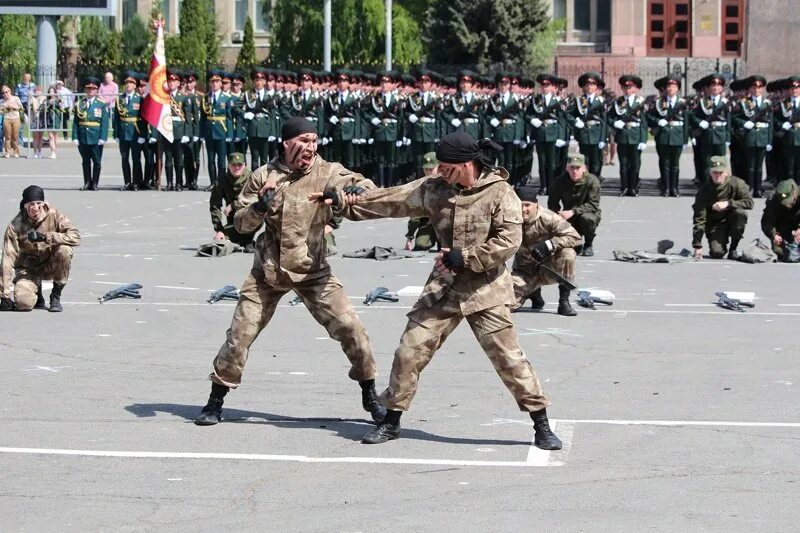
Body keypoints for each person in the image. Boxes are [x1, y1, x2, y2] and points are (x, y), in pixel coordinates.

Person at [329, 131, 561, 450]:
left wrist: (465, 257)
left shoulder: (500, 193)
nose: (438, 171)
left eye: (444, 166)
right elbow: (390, 200)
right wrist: (348, 200)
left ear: (465, 164)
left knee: (509, 359)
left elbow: (509, 241)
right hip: (445, 287)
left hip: (486, 290)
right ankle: (391, 421)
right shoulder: (434, 189)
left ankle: (541, 424)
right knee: (410, 350)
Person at [193, 117, 385, 426]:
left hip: (313, 272)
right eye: (304, 141)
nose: (311, 147)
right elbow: (239, 225)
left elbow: (362, 186)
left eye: (314, 141)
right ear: (287, 144)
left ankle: (370, 394)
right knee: (239, 335)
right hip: (268, 273)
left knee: (352, 329)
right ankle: (216, 400)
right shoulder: (263, 176)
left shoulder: (327, 172)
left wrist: (346, 194)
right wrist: (260, 206)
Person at [1, 185, 81, 313]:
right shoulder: (15, 225)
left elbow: (76, 237)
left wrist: (46, 237)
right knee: (23, 304)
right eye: (31, 204)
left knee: (64, 250)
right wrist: (4, 294)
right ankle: (37, 292)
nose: (36, 208)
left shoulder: (54, 215)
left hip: (51, 265)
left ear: (44, 203)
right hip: (29, 270)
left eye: (39, 203)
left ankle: (56, 295)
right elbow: (7, 258)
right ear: (25, 206)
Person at [511, 186, 580, 316]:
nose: (523, 209)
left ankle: (564, 301)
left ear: (536, 204)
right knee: (505, 305)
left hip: (549, 268)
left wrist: (549, 245)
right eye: (519, 205)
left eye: (527, 205)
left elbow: (575, 237)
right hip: (524, 269)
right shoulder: (509, 219)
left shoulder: (549, 218)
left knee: (568, 253)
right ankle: (533, 292)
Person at [692, 156, 754, 260]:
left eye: (720, 173)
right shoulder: (704, 191)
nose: (717, 176)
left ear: (726, 172)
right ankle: (720, 241)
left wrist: (728, 203)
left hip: (732, 219)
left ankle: (733, 249)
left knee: (740, 213)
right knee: (717, 253)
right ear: (710, 172)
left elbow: (749, 203)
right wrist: (697, 245)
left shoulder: (737, 183)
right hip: (715, 225)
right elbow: (699, 219)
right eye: (714, 173)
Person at [547, 153, 602, 257]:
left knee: (587, 219)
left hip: (587, 213)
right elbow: (552, 203)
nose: (575, 171)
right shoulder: (559, 181)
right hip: (568, 214)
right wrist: (557, 215)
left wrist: (573, 212)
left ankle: (588, 244)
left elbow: (593, 204)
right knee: (552, 220)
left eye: (578, 167)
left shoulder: (592, 181)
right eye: (572, 167)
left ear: (584, 168)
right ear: (567, 168)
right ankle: (573, 243)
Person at [526, 74, 568, 195]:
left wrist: (561, 137)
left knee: (552, 163)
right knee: (542, 162)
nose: (544, 87)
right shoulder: (535, 100)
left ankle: (552, 186)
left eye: (547, 85)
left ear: (552, 87)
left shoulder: (558, 101)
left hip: (553, 134)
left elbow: (562, 120)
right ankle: (543, 186)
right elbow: (527, 114)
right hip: (540, 134)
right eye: (542, 85)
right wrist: (532, 120)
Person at [732, 75, 773, 198]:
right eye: (753, 87)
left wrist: (770, 141)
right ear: (749, 89)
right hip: (749, 137)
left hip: (762, 136)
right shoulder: (744, 103)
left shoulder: (767, 104)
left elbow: (770, 124)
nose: (756, 89)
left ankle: (758, 189)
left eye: (759, 87)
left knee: (759, 166)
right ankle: (750, 188)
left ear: (763, 89)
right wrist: (744, 123)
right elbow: (734, 118)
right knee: (749, 165)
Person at [647, 76, 689, 197]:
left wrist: (685, 139)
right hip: (663, 135)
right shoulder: (659, 102)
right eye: (669, 86)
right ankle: (665, 188)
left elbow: (686, 122)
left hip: (677, 135)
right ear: (665, 89)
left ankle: (674, 188)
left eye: (674, 86)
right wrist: (657, 121)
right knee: (664, 163)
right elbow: (649, 116)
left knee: (675, 164)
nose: (671, 88)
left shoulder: (683, 103)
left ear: (678, 89)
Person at [209, 152, 260, 251]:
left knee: (259, 209)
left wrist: (233, 205)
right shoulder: (222, 180)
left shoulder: (252, 178)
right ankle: (241, 239)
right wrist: (219, 229)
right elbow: (214, 205)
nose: (236, 168)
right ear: (228, 165)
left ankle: (248, 240)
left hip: (252, 216)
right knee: (222, 241)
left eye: (239, 165)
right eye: (233, 165)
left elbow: (253, 199)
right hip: (234, 221)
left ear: (245, 165)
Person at [608, 75, 648, 196]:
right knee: (624, 164)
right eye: (625, 87)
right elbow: (609, 117)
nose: (628, 89)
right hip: (623, 136)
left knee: (635, 164)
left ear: (635, 88)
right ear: (621, 87)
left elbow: (644, 123)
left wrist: (643, 140)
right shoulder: (618, 102)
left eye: (630, 87)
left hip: (636, 136)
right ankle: (624, 188)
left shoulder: (640, 102)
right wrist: (615, 122)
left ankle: (634, 188)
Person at [567, 72, 607, 179]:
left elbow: (604, 121)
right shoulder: (579, 100)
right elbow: (568, 114)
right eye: (587, 84)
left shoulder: (601, 101)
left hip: (596, 134)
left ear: (596, 87)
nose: (589, 87)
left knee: (597, 162)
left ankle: (595, 182)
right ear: (583, 86)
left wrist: (603, 139)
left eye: (592, 84)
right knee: (585, 161)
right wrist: (576, 122)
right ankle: (585, 181)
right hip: (583, 134)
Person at [72, 77, 110, 191]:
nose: (90, 90)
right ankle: (87, 182)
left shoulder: (101, 104)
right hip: (83, 136)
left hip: (96, 136)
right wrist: (75, 136)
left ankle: (95, 183)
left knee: (97, 162)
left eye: (93, 88)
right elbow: (76, 122)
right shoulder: (80, 104)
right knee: (85, 161)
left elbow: (105, 122)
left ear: (97, 90)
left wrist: (103, 137)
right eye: (88, 88)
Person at [201, 69, 233, 192]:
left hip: (221, 131)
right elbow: (203, 119)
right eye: (212, 81)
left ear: (221, 83)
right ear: (210, 83)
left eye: (217, 81)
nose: (214, 84)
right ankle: (213, 183)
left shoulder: (227, 98)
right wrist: (201, 134)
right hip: (209, 132)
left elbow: (229, 118)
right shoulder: (206, 98)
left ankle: (221, 183)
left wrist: (229, 134)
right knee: (210, 160)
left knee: (221, 160)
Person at [113, 71, 144, 190]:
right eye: (126, 83)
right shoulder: (119, 99)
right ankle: (127, 182)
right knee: (124, 159)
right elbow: (116, 118)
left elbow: (143, 119)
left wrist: (143, 134)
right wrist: (116, 134)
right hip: (123, 133)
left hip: (135, 133)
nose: (128, 85)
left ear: (135, 85)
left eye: (131, 83)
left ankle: (136, 182)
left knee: (136, 159)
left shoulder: (139, 99)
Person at [404, 151, 438, 251]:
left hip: (445, 226)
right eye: (426, 169)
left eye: (431, 169)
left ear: (439, 168)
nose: (428, 172)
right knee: (420, 245)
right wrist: (409, 237)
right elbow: (415, 215)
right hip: (428, 223)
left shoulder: (449, 183)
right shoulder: (420, 187)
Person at [761, 180, 800, 261]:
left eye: (790, 201)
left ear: (795, 193)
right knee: (780, 252)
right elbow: (767, 221)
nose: (787, 205)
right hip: (783, 226)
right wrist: (774, 235)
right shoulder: (773, 199)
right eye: (784, 203)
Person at [1, 85, 24, 158]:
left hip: (16, 118)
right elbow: (0, 111)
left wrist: (14, 107)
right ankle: (7, 152)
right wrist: (6, 107)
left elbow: (22, 109)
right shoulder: (2, 101)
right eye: (3, 93)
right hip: (7, 119)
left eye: (6, 92)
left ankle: (16, 152)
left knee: (15, 136)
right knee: (7, 137)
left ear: (10, 91)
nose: (5, 94)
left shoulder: (16, 98)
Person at [14, 72, 36, 149]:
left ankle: (34, 142)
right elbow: (16, 96)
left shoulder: (33, 86)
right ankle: (21, 142)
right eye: (25, 77)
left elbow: (36, 95)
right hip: (22, 106)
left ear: (30, 78)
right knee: (21, 125)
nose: (27, 79)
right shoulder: (19, 86)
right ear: (23, 78)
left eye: (28, 78)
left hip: (30, 106)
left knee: (33, 124)